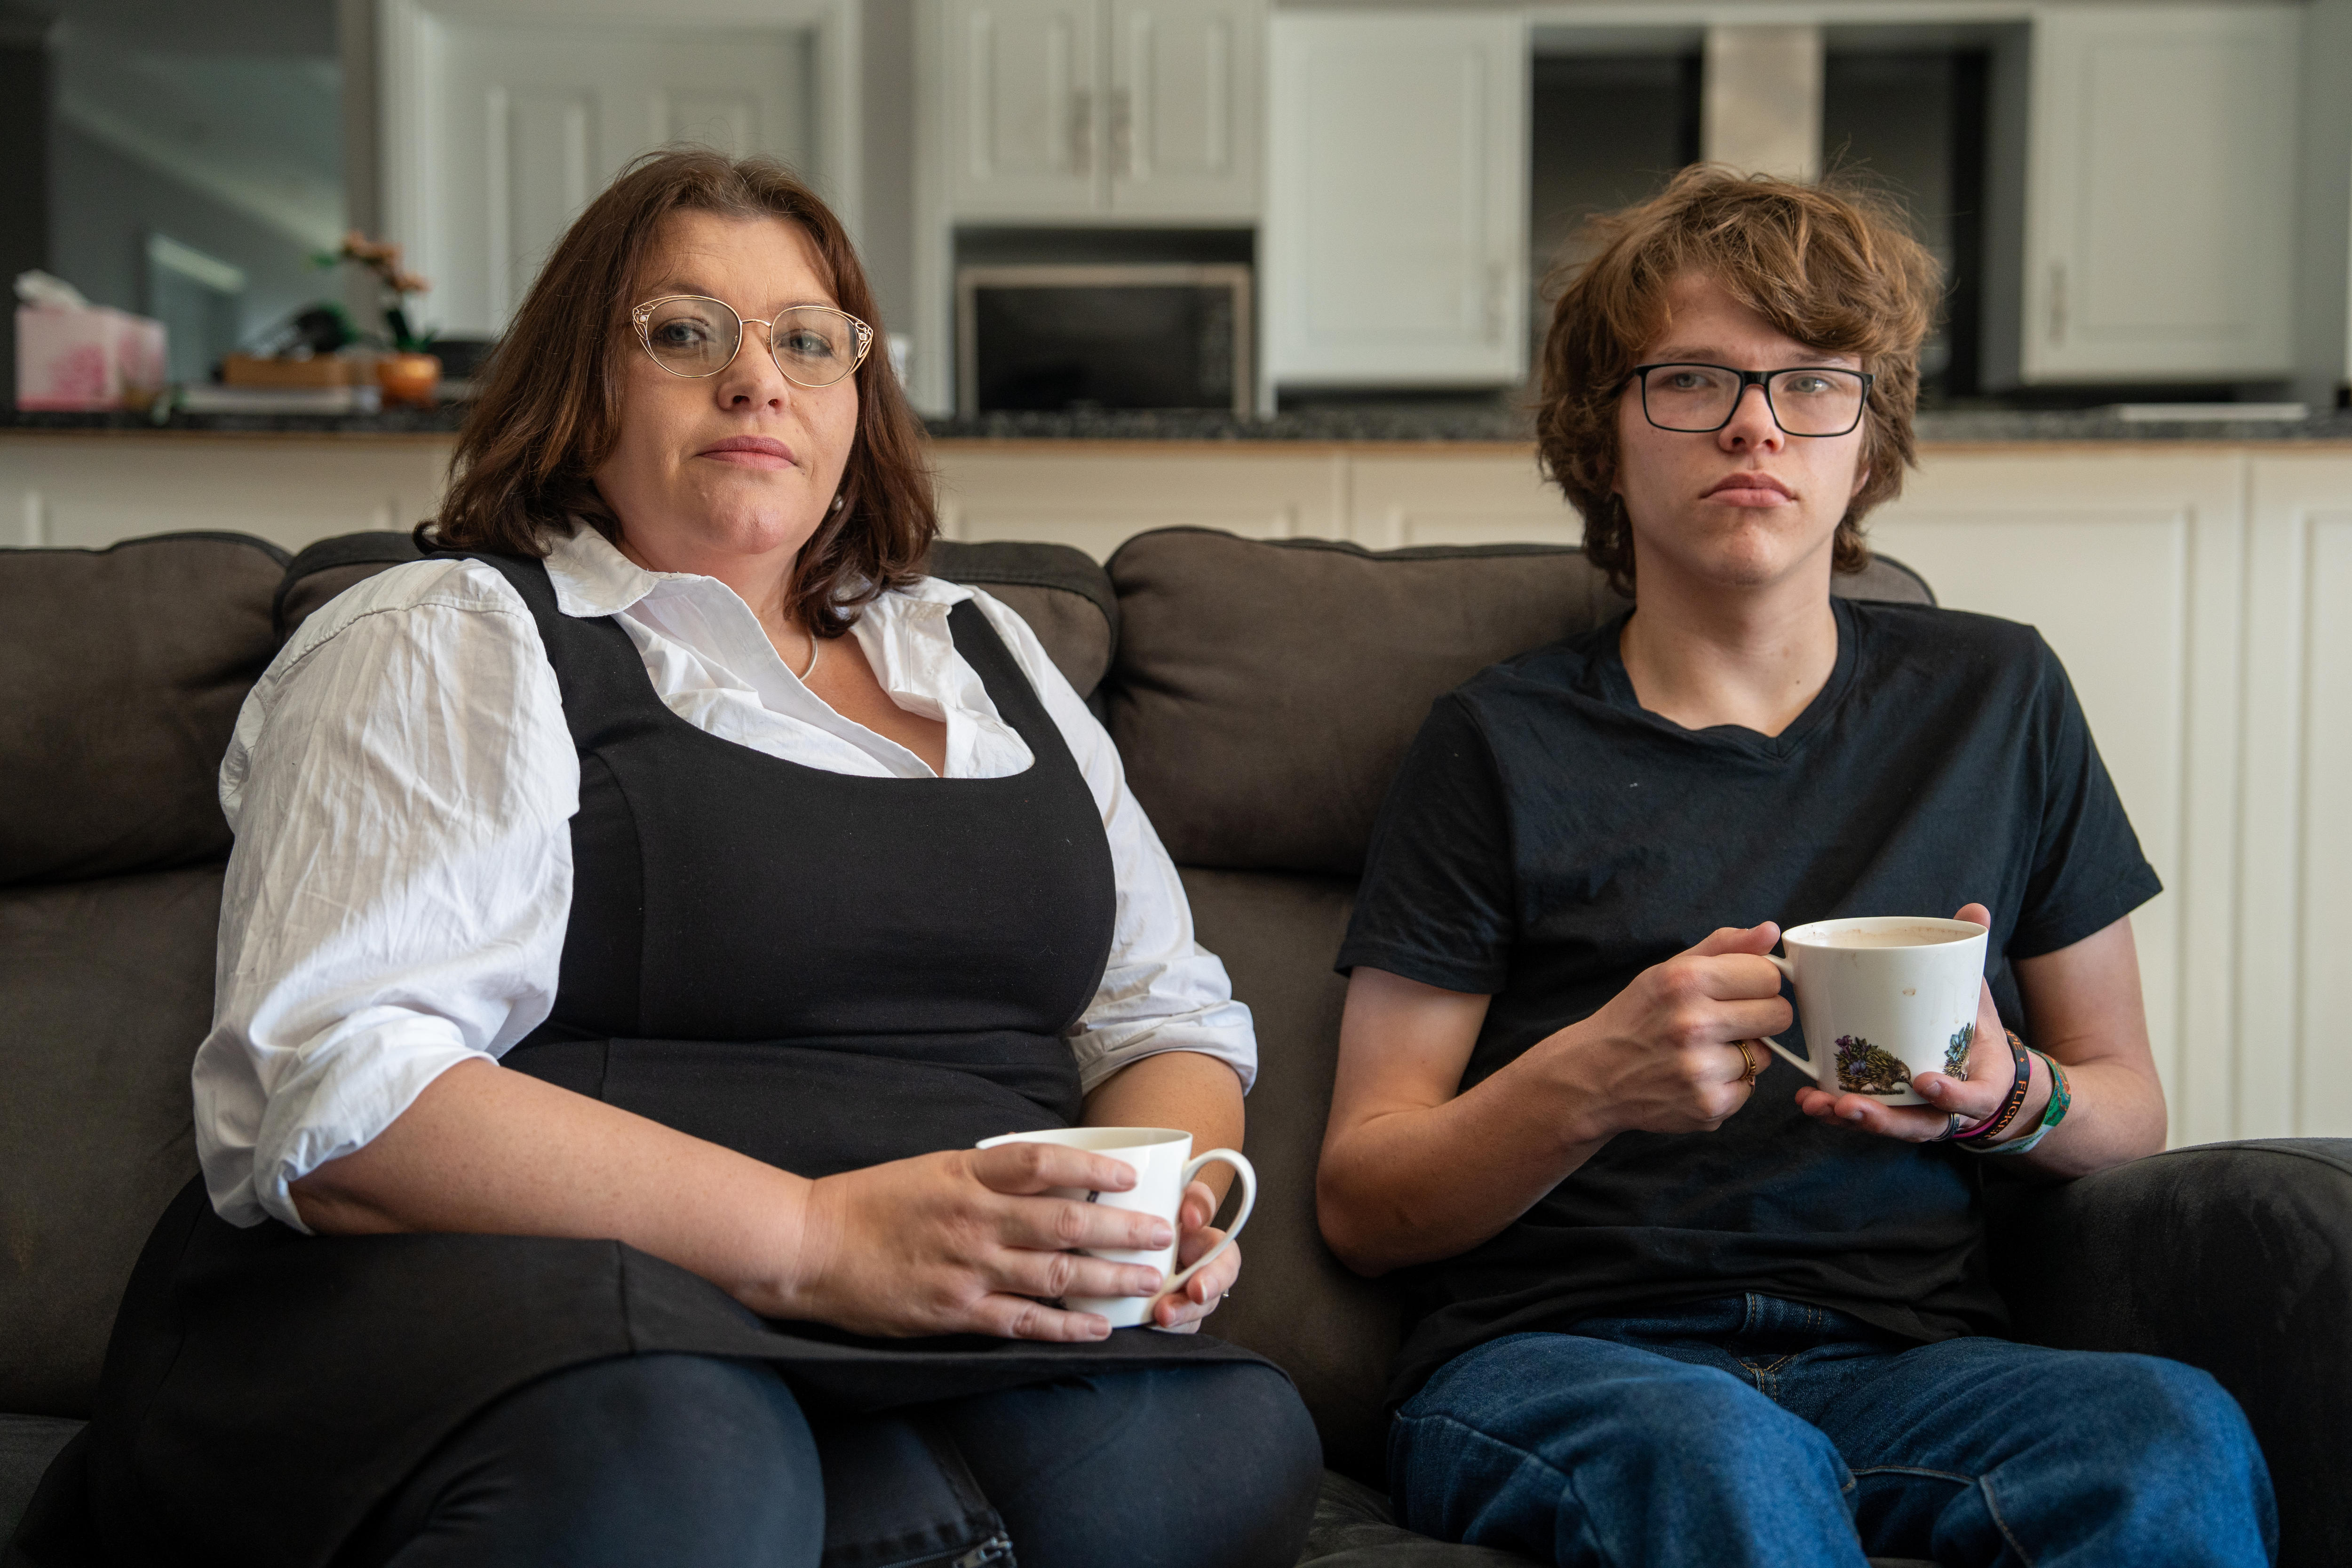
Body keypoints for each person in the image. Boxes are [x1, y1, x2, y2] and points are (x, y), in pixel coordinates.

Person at [56, 150, 1320, 1568]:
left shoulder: (985, 652)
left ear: (858, 398)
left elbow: (1160, 1014)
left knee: (1213, 1447)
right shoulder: (452, 632)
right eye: (682, 332)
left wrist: (1160, 1209)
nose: (756, 380)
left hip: (929, 1321)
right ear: (575, 390)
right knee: (681, 1468)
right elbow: (340, 1088)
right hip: (532, 1297)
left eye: (805, 340)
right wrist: (821, 1239)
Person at [1315, 167, 2275, 1568]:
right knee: (1724, 1457)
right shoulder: (1495, 743)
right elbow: (1362, 1197)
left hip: (1909, 1363)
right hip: (1565, 1364)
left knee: (2171, 1434)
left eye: (1812, 382)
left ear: (1866, 434)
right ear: (1605, 429)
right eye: (1694, 380)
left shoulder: (1998, 699)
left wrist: (2009, 1099)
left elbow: (2127, 1111)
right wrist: (1586, 1085)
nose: (1756, 425)